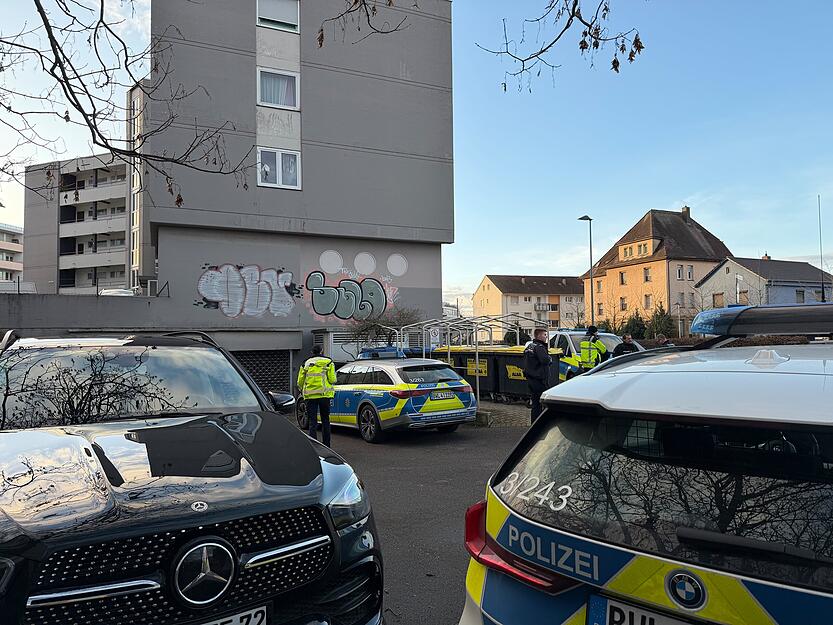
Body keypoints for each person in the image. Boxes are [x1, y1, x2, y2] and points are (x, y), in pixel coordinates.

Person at [297, 345, 337, 447]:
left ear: (312, 352)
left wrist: (301, 389)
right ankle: (327, 445)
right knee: (325, 420)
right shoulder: (328, 362)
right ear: (322, 351)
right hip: (324, 395)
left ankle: (314, 447)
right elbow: (332, 380)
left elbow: (300, 381)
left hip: (310, 396)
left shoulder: (305, 363)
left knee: (312, 422)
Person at [523, 328, 552, 423]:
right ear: (538, 336)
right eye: (544, 335)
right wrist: (550, 359)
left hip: (531, 378)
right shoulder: (539, 347)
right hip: (539, 379)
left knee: (535, 404)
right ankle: (540, 424)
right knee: (542, 403)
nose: (546, 337)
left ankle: (534, 423)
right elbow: (545, 360)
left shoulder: (530, 346)